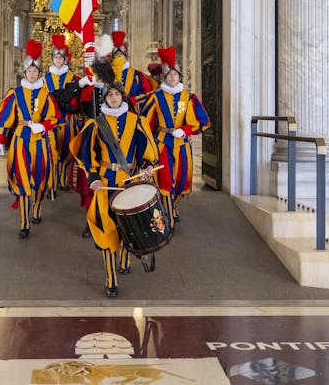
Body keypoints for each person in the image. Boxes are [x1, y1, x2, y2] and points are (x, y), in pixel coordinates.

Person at [70, 59, 158, 298]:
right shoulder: (96, 124)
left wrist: (148, 165)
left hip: (130, 178)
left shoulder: (136, 121)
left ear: (123, 97)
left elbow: (146, 148)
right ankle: (111, 280)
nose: (113, 98)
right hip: (106, 181)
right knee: (108, 227)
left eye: (117, 95)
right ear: (105, 98)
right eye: (109, 96)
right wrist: (93, 177)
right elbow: (88, 154)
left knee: (128, 224)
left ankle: (125, 257)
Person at [0, 40, 60, 238]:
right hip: (20, 140)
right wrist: (0, 139)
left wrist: (43, 126)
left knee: (39, 178)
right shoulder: (16, 92)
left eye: (35, 71)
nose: (32, 74)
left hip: (40, 141)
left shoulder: (46, 93)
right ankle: (24, 223)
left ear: (39, 73)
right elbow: (6, 117)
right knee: (23, 181)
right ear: (25, 73)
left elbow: (54, 118)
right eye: (29, 71)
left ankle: (37, 208)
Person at [140, 46, 210, 229]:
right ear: (164, 77)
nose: (172, 77)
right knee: (165, 180)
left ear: (179, 76)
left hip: (182, 145)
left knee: (182, 181)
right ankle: (168, 220)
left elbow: (201, 122)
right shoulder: (155, 97)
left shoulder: (188, 97)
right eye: (169, 75)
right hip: (163, 144)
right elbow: (144, 122)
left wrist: (185, 130)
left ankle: (173, 205)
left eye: (175, 74)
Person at [44, 34, 81, 194]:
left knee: (67, 150)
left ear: (65, 59)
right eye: (56, 57)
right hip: (50, 121)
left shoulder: (73, 77)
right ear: (52, 58)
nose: (58, 59)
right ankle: (51, 181)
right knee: (52, 151)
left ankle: (63, 180)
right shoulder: (44, 78)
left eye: (61, 57)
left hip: (68, 120)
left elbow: (79, 97)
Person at [108, 31, 155, 106]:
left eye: (121, 54)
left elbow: (148, 93)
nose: (119, 56)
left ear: (125, 57)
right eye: (116, 54)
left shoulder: (136, 74)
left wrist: (132, 100)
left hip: (131, 111)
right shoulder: (105, 73)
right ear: (112, 57)